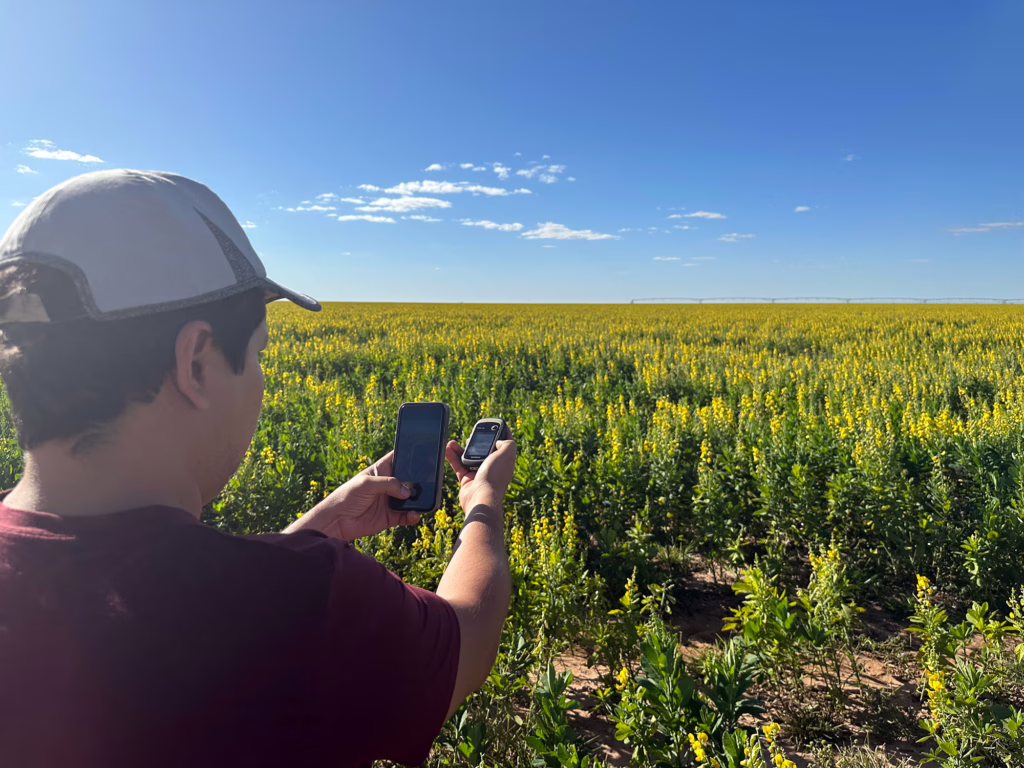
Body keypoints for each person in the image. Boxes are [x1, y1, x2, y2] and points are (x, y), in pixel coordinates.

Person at [0, 169, 515, 767]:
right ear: (196, 363)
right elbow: (468, 641)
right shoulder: (307, 600)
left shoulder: (272, 594)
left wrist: (310, 532)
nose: (261, 380)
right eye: (259, 355)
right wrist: (483, 504)